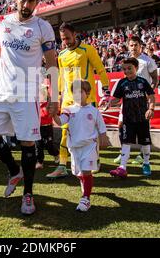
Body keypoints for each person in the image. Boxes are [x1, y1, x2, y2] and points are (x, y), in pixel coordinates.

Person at [0, 0, 58, 215]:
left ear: (37, 2)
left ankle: (28, 194)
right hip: (1, 92)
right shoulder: (2, 22)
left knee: (27, 143)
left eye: (31, 1)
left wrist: (54, 96)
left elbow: (52, 63)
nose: (26, 4)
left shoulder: (43, 27)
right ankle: (14, 170)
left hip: (26, 95)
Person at [46, 22, 109, 179]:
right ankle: (62, 166)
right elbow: (60, 77)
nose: (65, 42)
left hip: (87, 99)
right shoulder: (61, 55)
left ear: (75, 34)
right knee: (64, 133)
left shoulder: (88, 50)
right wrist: (59, 96)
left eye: (67, 38)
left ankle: (95, 161)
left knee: (89, 133)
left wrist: (106, 91)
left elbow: (100, 69)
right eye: (62, 39)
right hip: (68, 100)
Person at [50, 80, 108, 212]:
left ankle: (85, 199)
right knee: (78, 173)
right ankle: (84, 181)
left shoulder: (94, 111)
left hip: (90, 146)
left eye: (80, 92)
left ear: (87, 93)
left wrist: (104, 138)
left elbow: (101, 127)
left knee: (87, 171)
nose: (77, 94)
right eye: (74, 92)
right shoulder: (68, 110)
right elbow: (60, 122)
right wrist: (54, 115)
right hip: (74, 147)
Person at [104, 58, 156, 178]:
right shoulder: (122, 83)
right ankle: (122, 167)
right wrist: (109, 103)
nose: (127, 71)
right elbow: (116, 99)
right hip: (128, 119)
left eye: (129, 68)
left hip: (142, 118)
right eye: (124, 69)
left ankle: (146, 163)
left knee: (145, 142)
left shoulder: (143, 81)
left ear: (136, 68)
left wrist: (151, 109)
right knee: (126, 142)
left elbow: (151, 96)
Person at [113, 36, 158, 166]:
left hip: (141, 101)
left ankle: (142, 156)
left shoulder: (148, 61)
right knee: (121, 124)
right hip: (128, 99)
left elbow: (155, 79)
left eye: (136, 45)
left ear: (140, 46)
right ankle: (123, 154)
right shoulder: (126, 61)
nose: (133, 47)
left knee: (142, 129)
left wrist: (148, 94)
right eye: (131, 45)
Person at [36, 84, 59, 170]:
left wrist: (48, 102)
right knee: (38, 145)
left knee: (49, 145)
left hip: (47, 127)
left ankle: (56, 154)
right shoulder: (35, 103)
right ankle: (39, 162)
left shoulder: (49, 104)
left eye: (43, 93)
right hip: (38, 128)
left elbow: (49, 113)